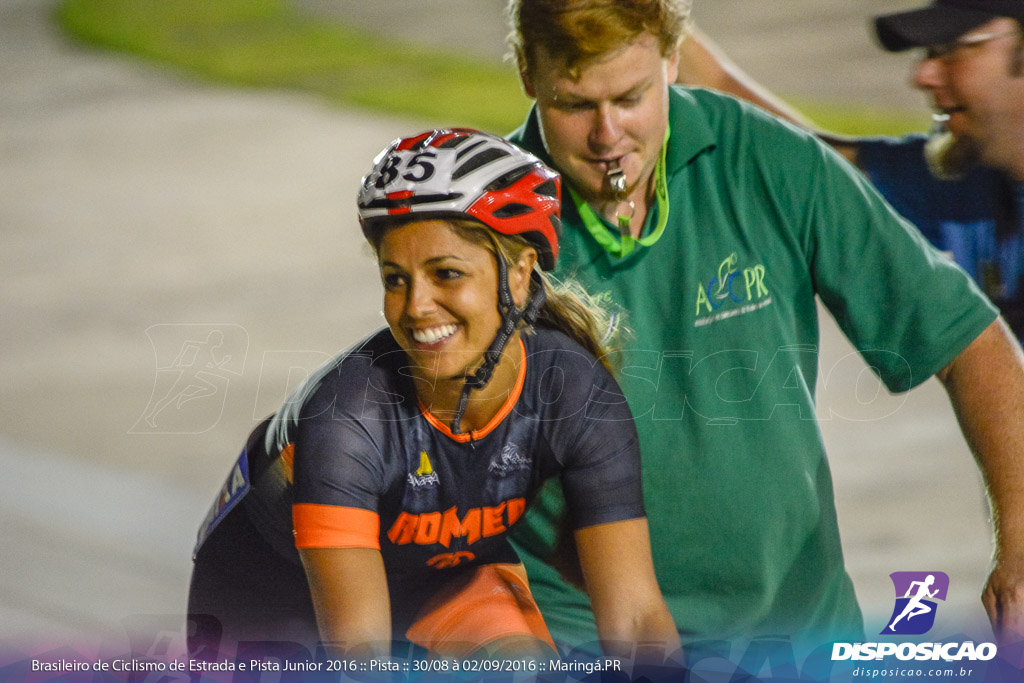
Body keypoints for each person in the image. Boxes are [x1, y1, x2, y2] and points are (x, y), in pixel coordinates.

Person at [503, 0, 1024, 656]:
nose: (609, 134)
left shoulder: (770, 161)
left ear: (671, 60)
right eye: (576, 105)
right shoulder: (483, 229)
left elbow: (970, 340)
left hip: (796, 639)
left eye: (633, 97)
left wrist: (1019, 545)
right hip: (587, 647)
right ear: (528, 72)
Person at [187, 128, 679, 661]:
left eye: (445, 273)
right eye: (395, 279)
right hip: (268, 600)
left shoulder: (575, 390)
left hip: (434, 578)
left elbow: (634, 618)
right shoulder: (349, 417)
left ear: (517, 276)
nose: (417, 306)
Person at [676, 0, 1024, 338]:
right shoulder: (972, 186)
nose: (922, 74)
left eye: (951, 48)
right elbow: (815, 165)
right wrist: (659, 26)